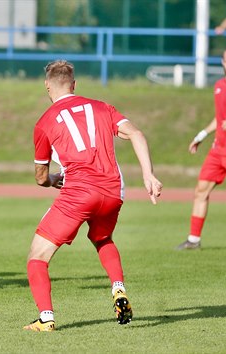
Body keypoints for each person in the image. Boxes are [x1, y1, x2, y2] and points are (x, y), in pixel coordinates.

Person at [23, 60, 163, 331]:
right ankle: (118, 288)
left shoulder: (44, 123)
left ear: (47, 86)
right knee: (102, 238)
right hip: (113, 191)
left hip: (78, 193)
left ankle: (46, 318)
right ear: (74, 85)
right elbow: (136, 134)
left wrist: (53, 179)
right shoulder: (102, 107)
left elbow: (41, 178)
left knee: (37, 256)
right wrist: (149, 175)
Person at [176, 44, 226, 250]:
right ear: (222, 62)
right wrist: (201, 135)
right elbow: (218, 118)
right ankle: (194, 239)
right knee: (200, 190)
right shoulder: (219, 85)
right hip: (217, 149)